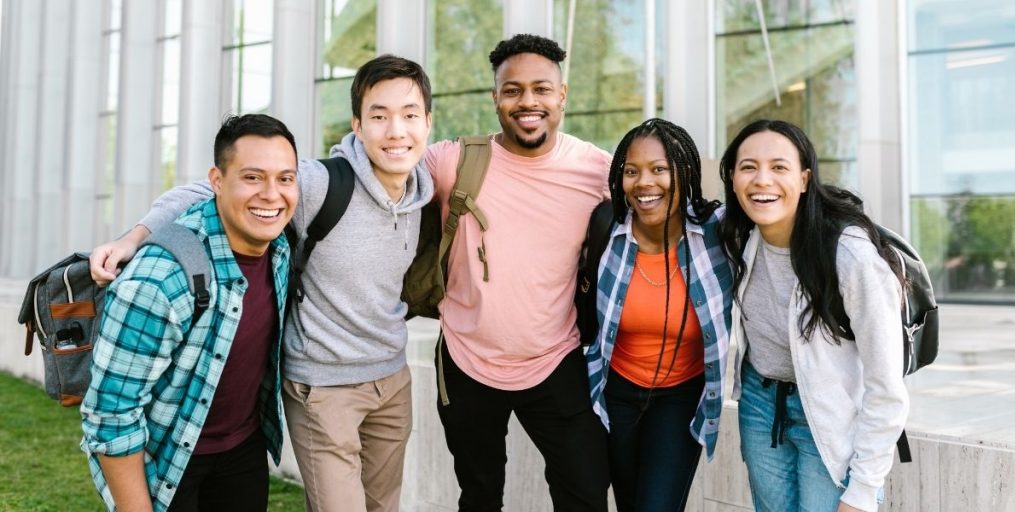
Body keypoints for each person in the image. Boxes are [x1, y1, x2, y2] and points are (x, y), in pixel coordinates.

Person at [88, 55, 435, 512]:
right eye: (379, 115)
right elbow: (208, 190)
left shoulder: (427, 187)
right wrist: (134, 236)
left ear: (428, 123)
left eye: (410, 115)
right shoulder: (318, 183)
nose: (396, 130)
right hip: (323, 386)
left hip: (388, 378)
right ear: (357, 124)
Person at [425, 34, 611, 511]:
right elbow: (380, 167)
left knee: (585, 493)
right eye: (512, 90)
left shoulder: (597, 171)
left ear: (562, 95)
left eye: (541, 89)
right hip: (466, 361)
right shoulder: (454, 162)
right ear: (495, 99)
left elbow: (665, 210)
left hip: (556, 358)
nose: (528, 102)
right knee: (480, 494)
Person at [80, 113, 299, 512]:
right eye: (252, 177)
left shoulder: (280, 246)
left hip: (243, 449)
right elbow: (110, 416)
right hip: (168, 459)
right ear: (216, 181)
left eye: (285, 178)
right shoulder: (160, 279)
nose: (272, 194)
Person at [718, 119, 909, 512]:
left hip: (829, 413)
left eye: (779, 167)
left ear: (805, 179)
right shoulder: (739, 236)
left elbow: (887, 386)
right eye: (749, 167)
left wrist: (863, 489)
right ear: (733, 178)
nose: (762, 180)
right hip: (759, 404)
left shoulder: (849, 254)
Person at [582, 118, 733, 512]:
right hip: (614, 392)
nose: (643, 182)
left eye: (659, 169)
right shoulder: (606, 229)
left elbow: (783, 222)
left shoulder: (718, 232)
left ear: (683, 173)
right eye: (631, 171)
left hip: (680, 398)